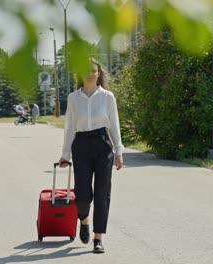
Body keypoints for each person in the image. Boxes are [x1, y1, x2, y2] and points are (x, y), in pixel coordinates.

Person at [59, 59, 124, 254]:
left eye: (93, 70)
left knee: (103, 193)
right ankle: (84, 220)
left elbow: (114, 124)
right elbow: (69, 127)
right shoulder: (73, 98)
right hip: (81, 146)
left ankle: (98, 238)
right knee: (83, 193)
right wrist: (65, 154)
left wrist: (119, 151)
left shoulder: (107, 97)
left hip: (102, 144)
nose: (89, 73)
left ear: (98, 73)